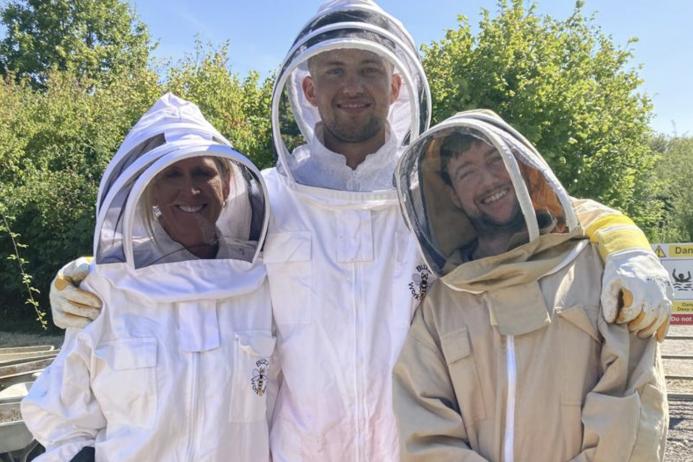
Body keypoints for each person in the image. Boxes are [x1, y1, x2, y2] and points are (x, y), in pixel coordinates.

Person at [48, 1, 671, 460]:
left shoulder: (430, 192)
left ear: (396, 84)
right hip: (298, 447)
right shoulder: (267, 196)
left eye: (370, 69)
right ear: (308, 87)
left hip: (416, 444)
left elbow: (545, 209)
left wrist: (626, 243)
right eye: (335, 70)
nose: (353, 86)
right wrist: (89, 274)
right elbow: (180, 248)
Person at [392, 110, 668, 461]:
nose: (488, 180)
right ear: (454, 195)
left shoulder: (595, 271)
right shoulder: (442, 304)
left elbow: (634, 404)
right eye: (467, 172)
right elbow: (422, 424)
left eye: (496, 160)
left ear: (522, 165)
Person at [21, 94, 276, 461]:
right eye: (172, 174)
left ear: (226, 184)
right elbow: (62, 414)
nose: (189, 189)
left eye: (203, 172)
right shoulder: (105, 289)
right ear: (150, 188)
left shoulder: (263, 284)